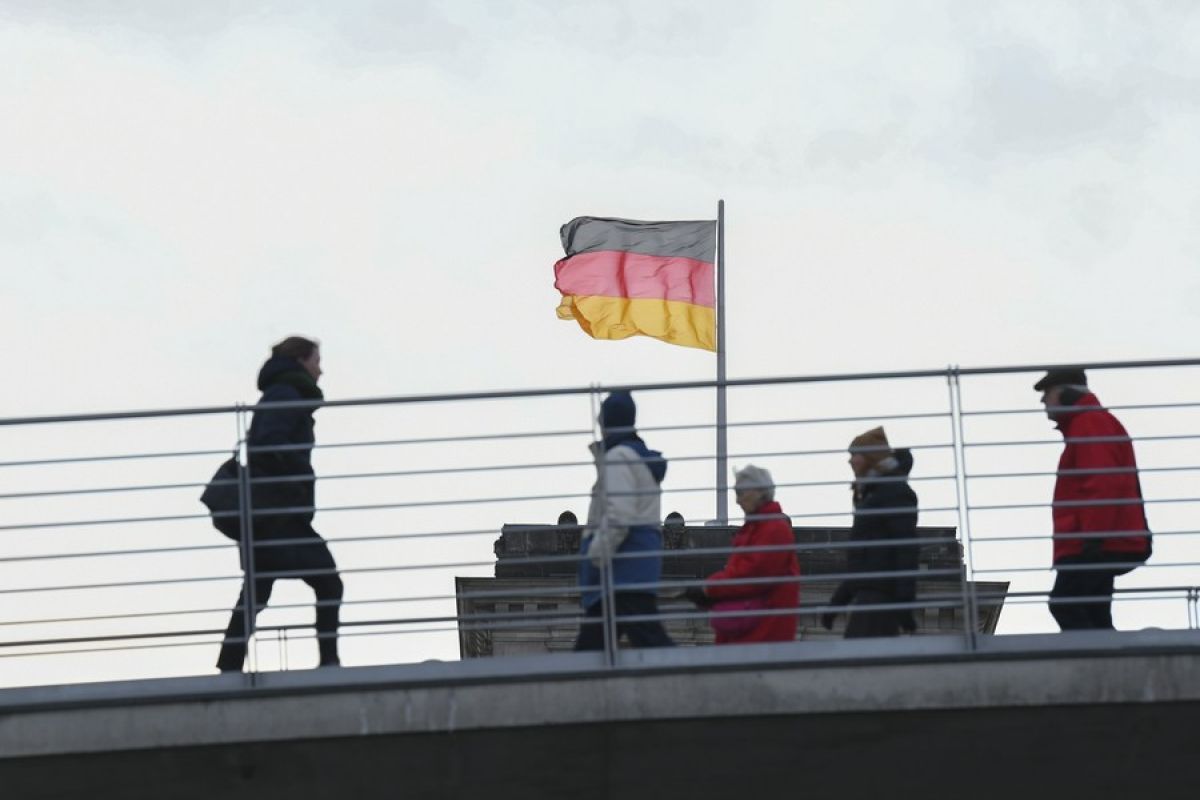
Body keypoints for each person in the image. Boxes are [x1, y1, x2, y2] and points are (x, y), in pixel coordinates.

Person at [216, 336, 344, 672]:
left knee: (256, 593)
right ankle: (329, 663)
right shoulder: (285, 394)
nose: (322, 369)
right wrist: (294, 481)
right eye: (317, 360)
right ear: (302, 360)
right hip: (279, 513)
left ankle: (228, 668)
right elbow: (269, 442)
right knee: (328, 581)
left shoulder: (282, 393)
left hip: (268, 512)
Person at [1036, 368, 1152, 630]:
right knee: (1093, 611)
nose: (1043, 401)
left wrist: (1092, 539)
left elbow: (1101, 483)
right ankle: (1112, 665)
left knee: (1065, 603)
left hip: (1093, 543)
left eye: (1048, 393)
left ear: (1066, 394)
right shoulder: (1090, 423)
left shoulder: (1089, 423)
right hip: (1097, 539)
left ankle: (1102, 667)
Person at [574, 391, 674, 650]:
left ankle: (693, 681)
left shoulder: (618, 457)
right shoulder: (637, 458)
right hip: (635, 566)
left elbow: (619, 515)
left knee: (596, 649)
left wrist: (596, 555)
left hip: (621, 570)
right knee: (604, 644)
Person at [823, 426, 920, 638]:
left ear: (869, 457)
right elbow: (863, 562)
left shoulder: (892, 492)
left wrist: (904, 606)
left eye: (854, 455)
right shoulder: (872, 494)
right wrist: (837, 604)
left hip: (880, 598)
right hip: (870, 597)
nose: (850, 461)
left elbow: (906, 550)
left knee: (857, 663)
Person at [686, 465, 800, 644]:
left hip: (761, 635)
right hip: (751, 632)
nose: (737, 500)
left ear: (759, 492)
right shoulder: (758, 528)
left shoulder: (773, 529)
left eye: (740, 493)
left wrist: (709, 588)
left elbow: (751, 575)